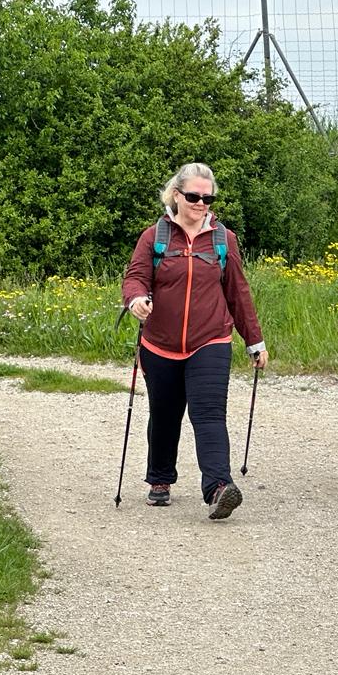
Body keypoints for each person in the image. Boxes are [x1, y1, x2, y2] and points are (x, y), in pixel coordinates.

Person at [122, 162, 268, 520]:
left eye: (207, 198)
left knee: (209, 413)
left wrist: (254, 341)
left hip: (210, 339)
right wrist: (136, 298)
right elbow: (135, 276)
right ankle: (160, 478)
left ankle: (218, 488)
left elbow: (238, 292)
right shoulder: (154, 237)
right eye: (193, 196)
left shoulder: (223, 239)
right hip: (160, 342)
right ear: (176, 195)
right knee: (165, 413)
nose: (200, 203)